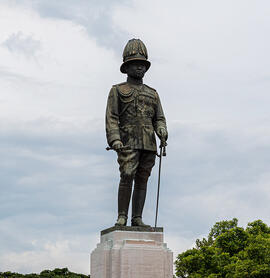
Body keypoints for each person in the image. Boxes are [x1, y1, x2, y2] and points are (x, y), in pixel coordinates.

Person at [106, 39, 168, 227]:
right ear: (127, 67)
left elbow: (159, 118)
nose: (140, 68)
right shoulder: (117, 90)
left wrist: (162, 130)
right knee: (127, 175)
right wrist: (115, 139)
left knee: (143, 179)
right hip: (127, 142)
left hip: (148, 144)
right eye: (135, 64)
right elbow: (112, 117)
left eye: (142, 65)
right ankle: (122, 216)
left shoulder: (153, 93)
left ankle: (137, 217)